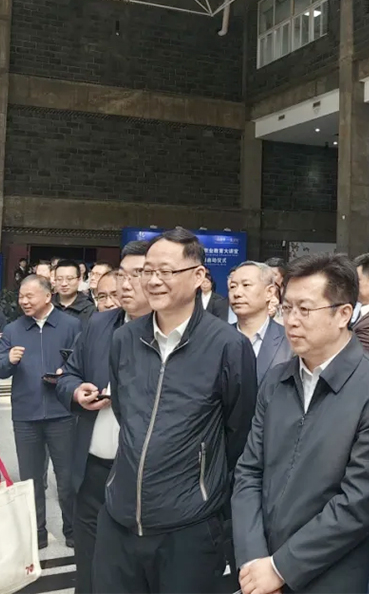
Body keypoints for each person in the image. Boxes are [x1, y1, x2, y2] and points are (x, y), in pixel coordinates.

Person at [233, 254, 369, 594]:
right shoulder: (277, 380)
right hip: (260, 571)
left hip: (330, 576)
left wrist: (281, 568)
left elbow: (358, 504)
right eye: (287, 308)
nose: (292, 321)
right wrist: (254, 558)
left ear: (343, 314)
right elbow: (248, 471)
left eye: (305, 309)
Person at [93, 228, 257, 594]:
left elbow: (238, 432)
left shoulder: (228, 345)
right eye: (146, 271)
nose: (153, 280)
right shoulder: (125, 339)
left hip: (188, 528)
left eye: (165, 271)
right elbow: (125, 413)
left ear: (198, 276)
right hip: (119, 520)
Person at [56, 241, 151, 593]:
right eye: (123, 275)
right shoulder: (98, 324)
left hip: (141, 474)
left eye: (138, 275)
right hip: (93, 469)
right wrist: (76, 391)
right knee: (89, 568)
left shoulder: (168, 334)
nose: (126, 284)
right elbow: (68, 374)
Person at [0, 275, 80, 549]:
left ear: (47, 296)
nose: (24, 301)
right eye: (21, 296)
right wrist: (8, 360)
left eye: (29, 296)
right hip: (25, 415)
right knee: (31, 479)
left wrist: (67, 373)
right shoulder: (13, 329)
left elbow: (82, 361)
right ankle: (37, 533)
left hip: (62, 413)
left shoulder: (71, 325)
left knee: (67, 478)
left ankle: (73, 531)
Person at [229, 261, 291, 383]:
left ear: (269, 292)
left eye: (246, 285)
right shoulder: (217, 339)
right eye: (232, 286)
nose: (237, 293)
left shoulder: (289, 341)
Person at [52, 260, 96, 327]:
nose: (64, 284)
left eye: (69, 279)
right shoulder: (47, 305)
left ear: (79, 280)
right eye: (59, 279)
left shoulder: (89, 309)